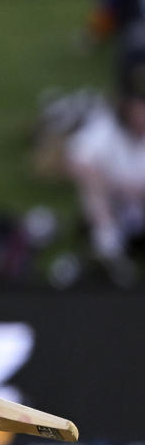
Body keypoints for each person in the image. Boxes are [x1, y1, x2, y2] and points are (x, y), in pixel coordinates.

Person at [67, 48, 145, 285]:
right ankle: (108, 248)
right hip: (114, 208)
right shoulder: (105, 129)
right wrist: (116, 186)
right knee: (93, 186)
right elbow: (77, 162)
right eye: (137, 106)